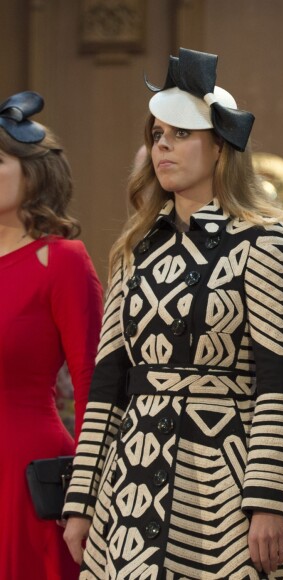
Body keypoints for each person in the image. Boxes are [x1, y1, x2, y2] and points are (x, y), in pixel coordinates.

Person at [63, 48, 283, 579]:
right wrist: (81, 498)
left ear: (222, 147)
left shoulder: (265, 241)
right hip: (132, 484)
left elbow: (278, 381)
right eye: (157, 134)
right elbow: (109, 382)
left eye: (180, 134)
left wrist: (269, 498)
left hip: (224, 486)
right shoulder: (133, 247)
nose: (162, 145)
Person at [0, 91, 103, 579]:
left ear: (33, 171)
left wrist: (85, 495)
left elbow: (92, 380)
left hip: (25, 476)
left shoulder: (60, 259)